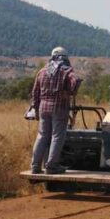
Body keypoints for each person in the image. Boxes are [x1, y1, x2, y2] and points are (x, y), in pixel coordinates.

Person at [30, 47, 81, 175]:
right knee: (57, 136)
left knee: (42, 136)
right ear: (64, 57)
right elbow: (76, 80)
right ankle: (52, 166)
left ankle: (35, 166)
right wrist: (70, 92)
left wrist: (35, 108)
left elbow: (35, 92)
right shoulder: (66, 71)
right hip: (59, 108)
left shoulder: (42, 72)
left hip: (43, 108)